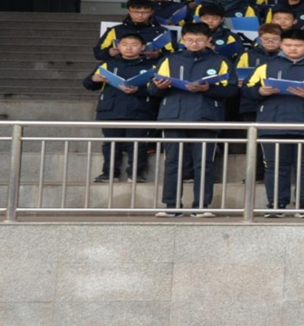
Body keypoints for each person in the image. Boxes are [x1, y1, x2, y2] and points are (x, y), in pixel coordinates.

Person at [242, 29, 304, 218]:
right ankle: (276, 205)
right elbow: (247, 90)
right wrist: (260, 92)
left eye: (298, 45)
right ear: (281, 45)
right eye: (288, 45)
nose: (292, 49)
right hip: (273, 123)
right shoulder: (266, 66)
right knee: (275, 167)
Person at [148, 22, 238, 218]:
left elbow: (232, 90)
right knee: (173, 162)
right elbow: (152, 90)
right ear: (182, 39)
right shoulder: (169, 60)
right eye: (189, 40)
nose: (194, 44)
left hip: (207, 116)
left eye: (199, 40)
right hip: (173, 116)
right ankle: (171, 205)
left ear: (209, 40)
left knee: (204, 162)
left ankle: (201, 206)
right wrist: (159, 86)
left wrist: (208, 89)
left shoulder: (220, 61)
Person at [83, 33, 158, 183]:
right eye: (124, 44)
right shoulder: (107, 64)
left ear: (142, 47)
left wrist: (139, 90)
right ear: (118, 46)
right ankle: (109, 173)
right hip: (111, 109)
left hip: (139, 109)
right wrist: (93, 79)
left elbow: (157, 90)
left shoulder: (151, 66)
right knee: (111, 143)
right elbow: (88, 85)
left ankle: (135, 173)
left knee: (137, 143)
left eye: (134, 45)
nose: (129, 48)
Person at [235, 23, 283, 183]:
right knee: (253, 142)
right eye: (266, 39)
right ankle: (255, 174)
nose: (270, 42)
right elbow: (236, 75)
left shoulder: (286, 58)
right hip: (251, 104)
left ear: (281, 40)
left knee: (272, 140)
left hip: (277, 105)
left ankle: (273, 174)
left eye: (274, 39)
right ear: (259, 39)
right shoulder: (247, 55)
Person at [94, 0, 173, 61]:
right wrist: (109, 53)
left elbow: (174, 54)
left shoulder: (162, 31)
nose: (140, 15)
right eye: (136, 12)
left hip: (151, 68)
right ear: (129, 11)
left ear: (151, 12)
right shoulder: (116, 30)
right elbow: (98, 52)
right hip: (119, 67)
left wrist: (158, 55)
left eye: (145, 12)